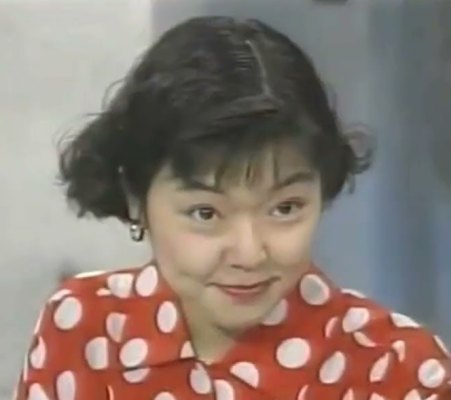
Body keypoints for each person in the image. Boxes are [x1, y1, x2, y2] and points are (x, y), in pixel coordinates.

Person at [15, 16, 450, 400]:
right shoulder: (84, 327)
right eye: (206, 213)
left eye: (285, 208)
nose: (249, 254)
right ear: (136, 196)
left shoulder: (399, 371)